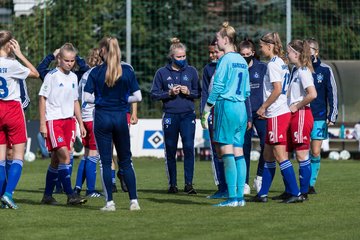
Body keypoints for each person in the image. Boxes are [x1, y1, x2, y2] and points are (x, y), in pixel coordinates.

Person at [84, 36, 142, 211]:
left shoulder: (95, 72)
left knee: (105, 161)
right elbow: (138, 96)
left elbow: (86, 98)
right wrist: (122, 99)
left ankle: (109, 202)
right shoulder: (127, 71)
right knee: (126, 161)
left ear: (102, 50)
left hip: (102, 118)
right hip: (120, 117)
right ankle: (134, 201)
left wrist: (102, 100)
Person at [201, 22, 250, 207]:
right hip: (241, 108)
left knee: (226, 151)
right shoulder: (241, 61)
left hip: (226, 106)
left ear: (226, 40)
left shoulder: (225, 60)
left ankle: (231, 198)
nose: (216, 41)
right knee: (238, 151)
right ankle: (239, 198)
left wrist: (206, 110)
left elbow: (218, 86)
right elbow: (246, 91)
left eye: (218, 38)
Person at [251, 32, 302, 203]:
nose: (260, 48)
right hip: (281, 112)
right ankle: (262, 194)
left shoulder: (273, 65)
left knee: (280, 156)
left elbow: (277, 89)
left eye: (261, 45)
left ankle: (296, 193)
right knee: (267, 154)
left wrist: (263, 107)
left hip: (276, 114)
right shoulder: (281, 63)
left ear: (269, 46)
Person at [39, 43, 87, 205]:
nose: (70, 63)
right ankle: (71, 195)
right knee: (65, 157)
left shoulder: (74, 77)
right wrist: (43, 124)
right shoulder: (51, 76)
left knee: (55, 160)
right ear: (59, 59)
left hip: (69, 122)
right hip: (54, 121)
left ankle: (47, 196)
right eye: (66, 60)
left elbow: (75, 101)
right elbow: (42, 99)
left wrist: (80, 123)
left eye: (72, 60)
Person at [151, 38, 200, 194]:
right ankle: (173, 185)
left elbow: (199, 93)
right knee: (170, 149)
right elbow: (154, 94)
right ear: (171, 56)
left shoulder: (192, 71)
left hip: (188, 115)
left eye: (184, 56)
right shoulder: (162, 72)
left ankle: (189, 184)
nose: (182, 59)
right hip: (170, 115)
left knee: (188, 148)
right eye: (179, 57)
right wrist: (169, 93)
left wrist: (189, 92)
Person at [0, 30, 39, 209]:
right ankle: (8, 194)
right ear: (9, 45)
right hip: (13, 109)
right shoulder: (13, 63)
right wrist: (20, 54)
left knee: (0, 159)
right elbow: (35, 73)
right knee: (17, 155)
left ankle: (2, 196)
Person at [279, 39, 317, 200]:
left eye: (289, 52)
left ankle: (304, 192)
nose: (287, 54)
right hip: (292, 115)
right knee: (285, 153)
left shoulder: (303, 71)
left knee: (302, 155)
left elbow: (312, 94)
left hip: (301, 114)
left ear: (297, 54)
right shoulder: (295, 70)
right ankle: (290, 190)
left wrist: (297, 105)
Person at [305, 38, 338, 194]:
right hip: (302, 115)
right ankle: (303, 182)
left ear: (316, 51)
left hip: (319, 116)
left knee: (316, 152)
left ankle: (310, 184)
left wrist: (332, 114)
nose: (305, 52)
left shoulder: (325, 70)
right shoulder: (299, 69)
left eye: (308, 49)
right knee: (302, 151)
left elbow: (332, 93)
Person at [239, 38, 267, 194]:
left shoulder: (262, 68)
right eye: (242, 54)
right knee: (244, 148)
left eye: (248, 54)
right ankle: (244, 183)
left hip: (261, 113)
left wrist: (266, 108)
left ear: (253, 53)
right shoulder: (238, 69)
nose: (245, 57)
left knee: (266, 145)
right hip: (243, 114)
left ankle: (260, 178)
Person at [74, 48, 103, 198]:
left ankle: (78, 187)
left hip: (84, 118)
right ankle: (91, 190)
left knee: (86, 155)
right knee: (93, 155)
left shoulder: (85, 74)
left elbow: (78, 97)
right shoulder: (98, 74)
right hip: (93, 117)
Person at [201, 39, 228, 199]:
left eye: (215, 52)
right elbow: (205, 92)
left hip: (228, 111)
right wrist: (203, 113)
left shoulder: (229, 65)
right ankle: (221, 186)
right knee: (216, 150)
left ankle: (235, 187)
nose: (212, 55)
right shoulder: (208, 69)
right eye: (210, 52)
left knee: (231, 150)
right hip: (213, 113)